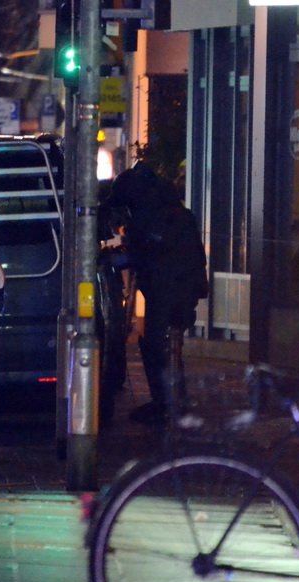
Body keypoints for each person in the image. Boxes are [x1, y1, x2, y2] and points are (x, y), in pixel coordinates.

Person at [100, 161, 208, 424]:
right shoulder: (177, 214)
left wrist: (119, 256)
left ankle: (164, 404)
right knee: (171, 344)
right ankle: (175, 400)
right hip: (186, 285)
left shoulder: (147, 218)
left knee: (155, 345)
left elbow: (144, 256)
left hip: (168, 287)